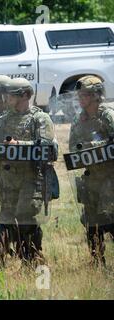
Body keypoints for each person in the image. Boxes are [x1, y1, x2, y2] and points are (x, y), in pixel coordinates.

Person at [0, 78, 56, 263]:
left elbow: (47, 148)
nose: (6, 98)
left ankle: (32, 256)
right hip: (8, 180)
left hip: (33, 178)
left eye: (11, 94)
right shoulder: (3, 120)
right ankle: (5, 258)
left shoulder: (40, 119)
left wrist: (19, 145)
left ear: (25, 95)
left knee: (25, 218)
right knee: (7, 219)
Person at [68, 75, 114, 266]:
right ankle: (97, 262)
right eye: (79, 95)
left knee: (111, 219)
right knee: (91, 223)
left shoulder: (108, 116)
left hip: (110, 177)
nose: (80, 99)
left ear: (96, 95)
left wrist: (94, 145)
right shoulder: (79, 120)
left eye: (85, 95)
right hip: (90, 179)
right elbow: (73, 148)